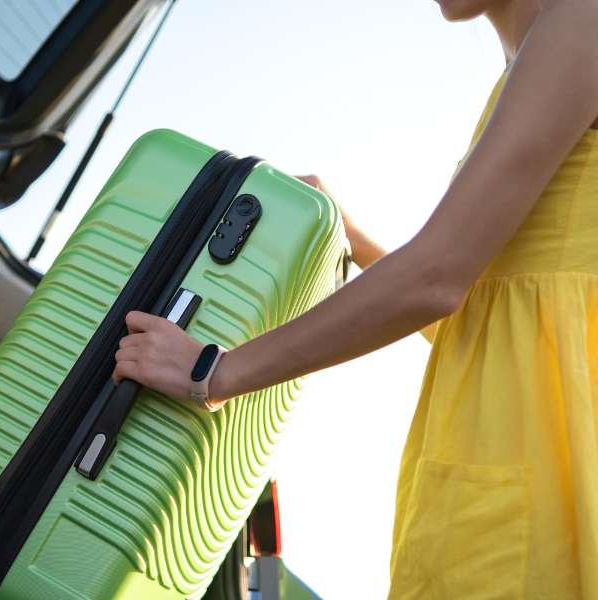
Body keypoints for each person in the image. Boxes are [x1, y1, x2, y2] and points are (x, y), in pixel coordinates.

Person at [112, 0, 598, 596]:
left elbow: (438, 278)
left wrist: (213, 371)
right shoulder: (533, 62)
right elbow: (489, 311)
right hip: (493, 470)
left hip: (542, 479)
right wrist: (353, 236)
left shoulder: (583, 16)